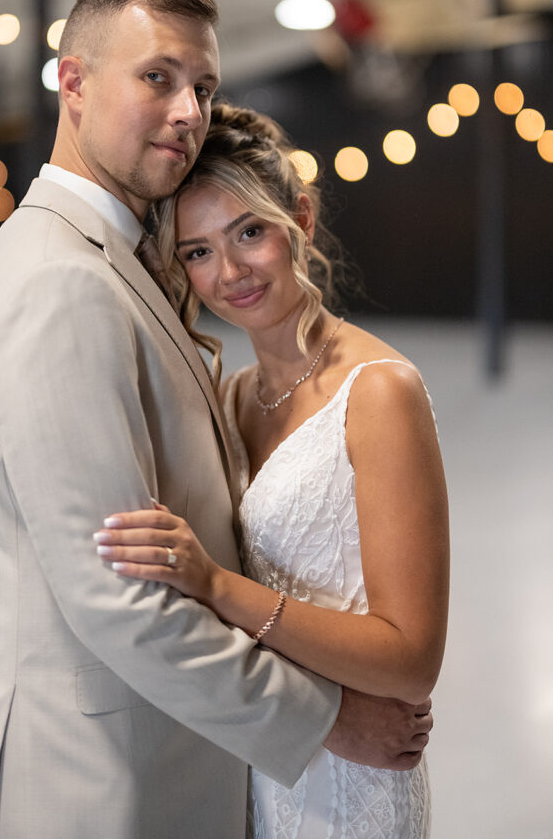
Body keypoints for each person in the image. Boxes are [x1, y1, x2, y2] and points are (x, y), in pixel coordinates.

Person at [0, 0, 433, 839]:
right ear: (73, 81)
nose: (187, 111)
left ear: (300, 224)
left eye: (202, 87)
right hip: (99, 782)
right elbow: (118, 597)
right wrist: (323, 720)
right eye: (157, 77)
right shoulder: (61, 282)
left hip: (196, 759)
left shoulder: (105, 262)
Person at [95, 102, 450, 838]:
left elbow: (410, 662)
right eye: (196, 252)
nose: (227, 273)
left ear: (302, 219)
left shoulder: (379, 393)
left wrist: (218, 589)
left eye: (248, 232)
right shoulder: (229, 398)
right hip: (260, 753)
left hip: (352, 783)